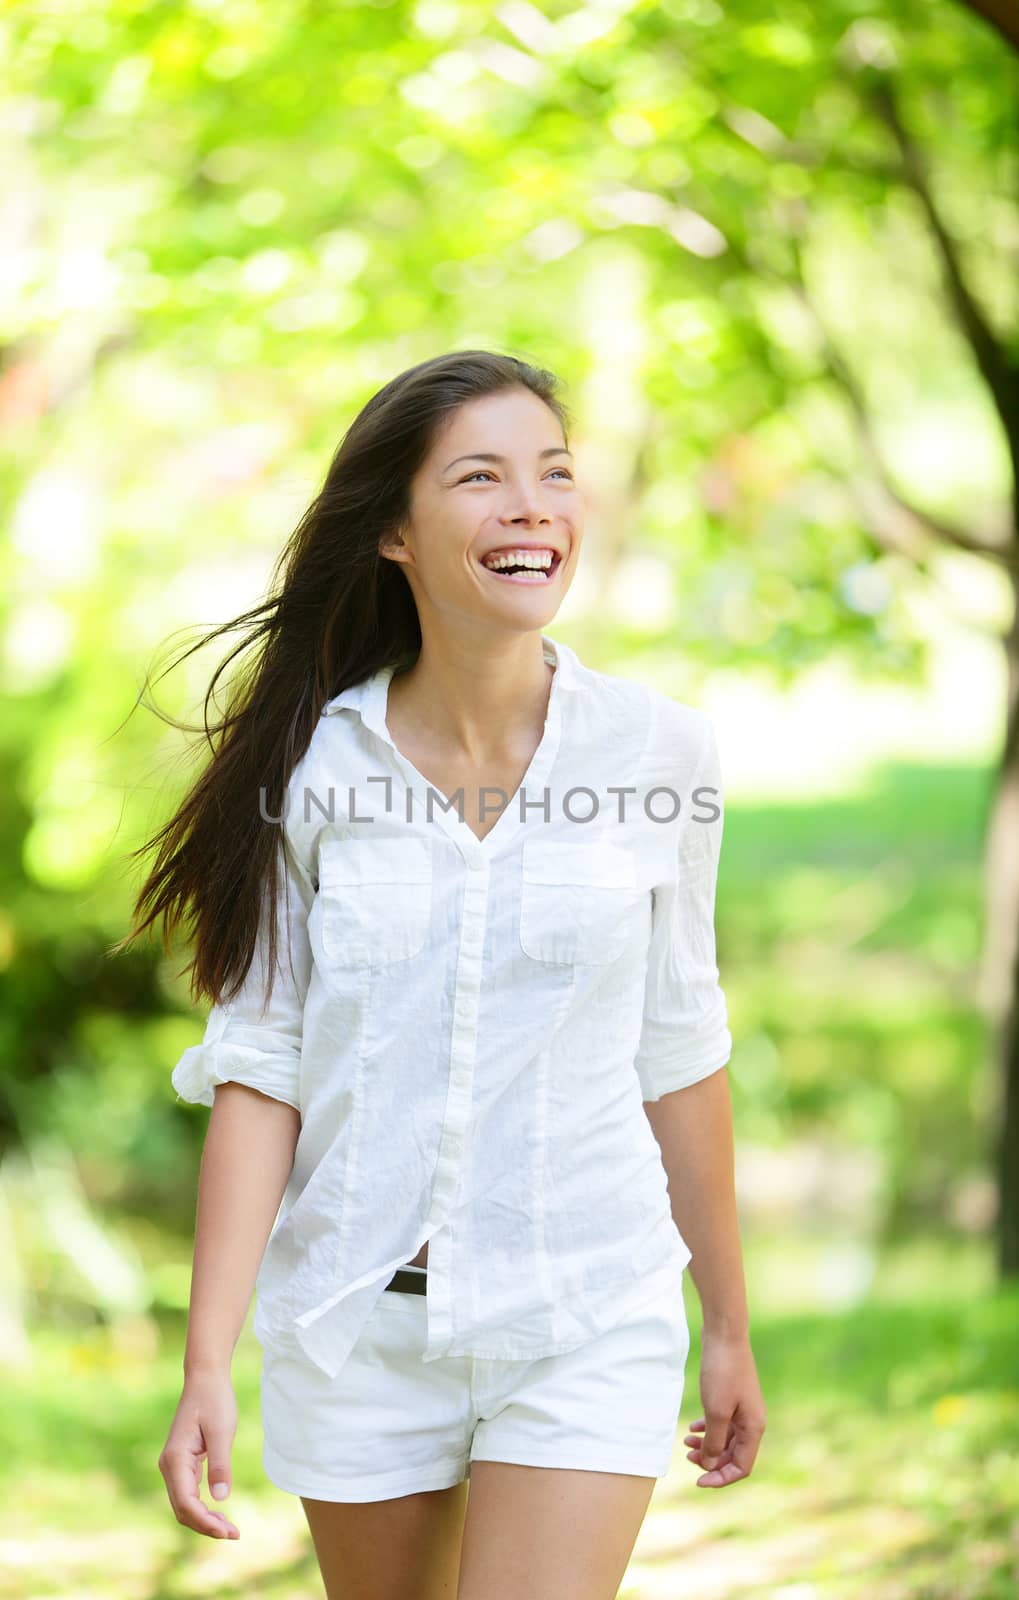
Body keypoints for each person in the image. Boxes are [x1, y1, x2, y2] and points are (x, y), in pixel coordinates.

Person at [131, 350, 765, 1599]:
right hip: (359, 1326)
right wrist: (205, 1360)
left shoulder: (659, 753)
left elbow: (678, 1048)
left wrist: (730, 1328)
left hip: (581, 1308)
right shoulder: (309, 770)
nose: (532, 506)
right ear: (392, 536)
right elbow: (262, 1068)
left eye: (555, 474)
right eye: (480, 477)